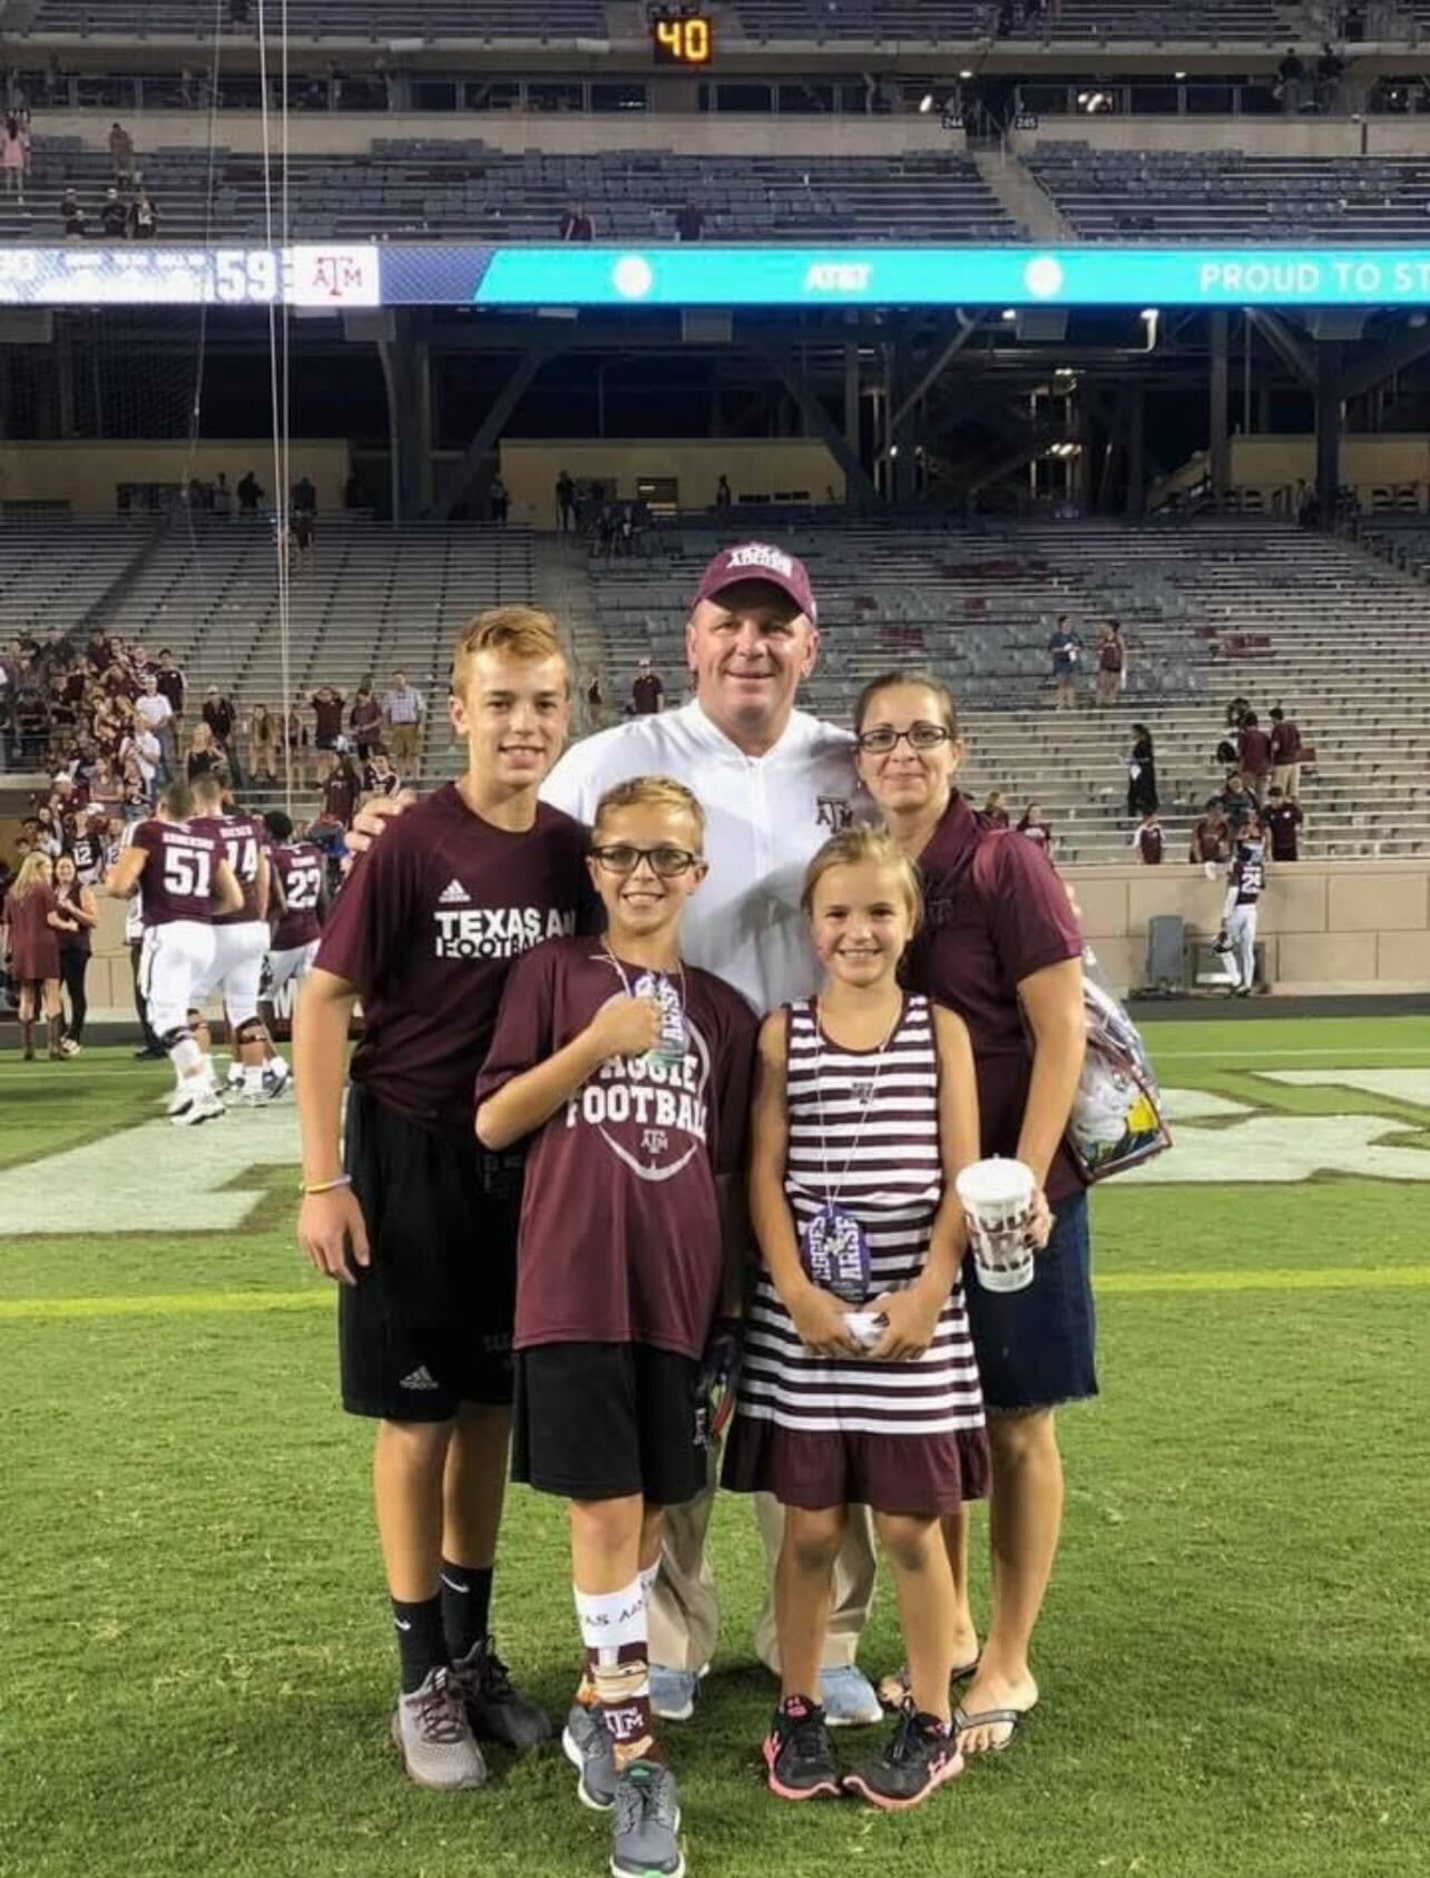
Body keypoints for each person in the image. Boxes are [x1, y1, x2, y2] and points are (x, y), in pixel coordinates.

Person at [345, 541, 886, 1728]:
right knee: (670, 1374)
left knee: (812, 1379)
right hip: (636, 1134)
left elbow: (910, 864)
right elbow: (503, 811)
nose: (751, 644)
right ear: (689, 640)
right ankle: (666, 1637)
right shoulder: (614, 759)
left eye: (774, 625)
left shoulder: (852, 764)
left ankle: (825, 1632)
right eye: (727, 623)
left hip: (821, 1107)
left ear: (808, 644)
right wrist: (401, 822)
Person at [293, 608, 594, 1794]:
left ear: (566, 713)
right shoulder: (411, 844)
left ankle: (470, 1657)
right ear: (456, 713)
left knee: (485, 1416)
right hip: (409, 1154)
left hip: (521, 1165)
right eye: (500, 702)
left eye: (543, 702)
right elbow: (323, 1003)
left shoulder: (572, 851)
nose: (522, 724)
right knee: (415, 1423)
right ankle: (419, 1672)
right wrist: (324, 1179)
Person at [476, 776, 757, 1877]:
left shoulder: (724, 1014)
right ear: (592, 868)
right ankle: (639, 1759)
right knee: (603, 1511)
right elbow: (496, 1118)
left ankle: (603, 1693)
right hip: (573, 1286)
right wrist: (595, 1043)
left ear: (697, 873)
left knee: (649, 1512)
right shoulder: (551, 977)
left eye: (667, 858)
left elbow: (728, 1173)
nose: (643, 874)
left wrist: (728, 1314)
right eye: (622, 854)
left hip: (678, 1300)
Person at [849, 672, 1085, 1759]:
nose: (903, 753)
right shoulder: (881, 872)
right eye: (882, 738)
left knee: (1015, 1420)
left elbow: (1059, 1034)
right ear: (858, 759)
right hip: (917, 1200)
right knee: (934, 1422)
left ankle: (1008, 1657)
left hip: (1010, 1200)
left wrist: (1026, 1183)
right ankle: (942, 1633)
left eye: (922, 735)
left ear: (959, 747)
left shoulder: (1003, 861)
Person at [724, 827, 985, 1810]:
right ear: (810, 924)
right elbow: (762, 1176)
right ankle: (794, 1709)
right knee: (808, 1528)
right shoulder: (780, 1032)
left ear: (909, 922)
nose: (858, 930)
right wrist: (791, 1286)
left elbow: (963, 1174)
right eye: (837, 912)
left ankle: (929, 1716)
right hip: (806, 1318)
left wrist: (925, 1289)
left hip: (918, 1310)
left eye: (879, 911)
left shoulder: (939, 1030)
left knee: (913, 1528)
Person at [104, 780, 243, 1125]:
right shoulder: (209, 839)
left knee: (163, 1019)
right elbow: (235, 899)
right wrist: (196, 908)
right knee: (179, 1013)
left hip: (167, 931)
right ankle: (189, 1090)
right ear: (193, 811)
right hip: (203, 933)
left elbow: (117, 885)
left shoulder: (149, 831)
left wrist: (142, 889)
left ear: (162, 806)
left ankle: (201, 1088)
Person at [188, 773, 280, 1105]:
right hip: (253, 925)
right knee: (243, 1009)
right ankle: (254, 1086)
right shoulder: (249, 826)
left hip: (220, 924)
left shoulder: (199, 830)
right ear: (223, 796)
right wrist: (261, 913)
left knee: (187, 1004)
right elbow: (263, 874)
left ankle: (204, 1083)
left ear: (196, 801)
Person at [2, 853, 69, 1059]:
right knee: (51, 992)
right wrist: (70, 925)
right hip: (43, 944)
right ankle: (54, 1047)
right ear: (38, 868)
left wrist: (6, 950)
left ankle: (27, 1049)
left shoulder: (13, 893)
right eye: (48, 867)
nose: (51, 871)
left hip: (21, 947)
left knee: (26, 995)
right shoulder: (43, 889)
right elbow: (52, 919)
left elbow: (7, 926)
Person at [262, 809, 326, 1012]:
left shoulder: (273, 859)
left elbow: (274, 903)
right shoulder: (313, 852)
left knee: (262, 998)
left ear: (269, 834)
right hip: (313, 934)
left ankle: (264, 1045)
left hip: (284, 938)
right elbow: (323, 899)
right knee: (313, 1002)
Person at [52, 851, 98, 1054]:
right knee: (52, 992)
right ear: (55, 870)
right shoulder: (51, 891)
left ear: (75, 870)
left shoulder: (82, 890)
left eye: (68, 867)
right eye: (61, 867)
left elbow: (94, 920)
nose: (64, 871)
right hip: (54, 948)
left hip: (76, 947)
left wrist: (72, 909)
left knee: (75, 990)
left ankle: (75, 1035)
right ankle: (61, 1031)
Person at [1218, 823, 1266, 997]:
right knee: (1247, 949)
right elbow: (1261, 885)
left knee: (1221, 946)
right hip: (1253, 910)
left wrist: (1225, 916)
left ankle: (1236, 980)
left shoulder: (1238, 866)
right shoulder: (1259, 867)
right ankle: (1247, 984)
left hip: (1238, 909)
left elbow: (1233, 891)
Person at [381, 669, 424, 775]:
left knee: (414, 753)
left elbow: (421, 709)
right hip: (397, 726)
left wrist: (420, 725)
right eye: (395, 679)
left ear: (405, 679)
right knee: (399, 754)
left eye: (400, 679)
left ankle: (416, 778)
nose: (398, 682)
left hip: (411, 725)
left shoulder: (414, 693)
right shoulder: (390, 695)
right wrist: (388, 726)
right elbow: (386, 711)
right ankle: (401, 778)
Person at [1236, 710, 1272, 804]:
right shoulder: (1264, 736)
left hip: (1249, 768)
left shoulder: (1244, 736)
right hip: (1263, 768)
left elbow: (1241, 753)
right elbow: (1269, 754)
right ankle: (1259, 813)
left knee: (1248, 793)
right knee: (1260, 794)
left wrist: (1238, 769)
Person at [1269, 706, 1303, 801]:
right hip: (1295, 763)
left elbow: (1276, 747)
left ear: (1274, 718)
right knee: (1294, 793)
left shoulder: (1277, 729)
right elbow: (1299, 745)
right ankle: (1297, 813)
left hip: (1282, 764)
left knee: (1279, 792)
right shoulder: (1292, 727)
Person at [1047, 617, 1081, 710]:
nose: (1068, 624)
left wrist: (1075, 649)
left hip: (1072, 661)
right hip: (1060, 662)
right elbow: (1052, 649)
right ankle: (1061, 703)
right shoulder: (1056, 636)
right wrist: (1063, 650)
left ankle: (1071, 703)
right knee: (1062, 683)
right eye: (1066, 622)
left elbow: (1079, 646)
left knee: (1071, 683)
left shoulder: (1075, 635)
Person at [1264, 786, 1304, 862]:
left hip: (1291, 844)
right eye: (1272, 800)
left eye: (1277, 799)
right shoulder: (1267, 811)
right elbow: (1266, 828)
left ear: (1282, 798)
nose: (1275, 802)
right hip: (1276, 845)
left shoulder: (1291, 808)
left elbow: (1299, 821)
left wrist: (1298, 834)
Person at [1189, 797, 1230, 871]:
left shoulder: (1224, 826)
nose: (1216, 818)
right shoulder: (1200, 825)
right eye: (1213, 814)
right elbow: (1195, 846)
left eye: (1219, 815)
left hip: (1215, 858)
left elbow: (1224, 847)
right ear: (1208, 813)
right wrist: (1201, 863)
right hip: (1200, 857)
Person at [1126, 723, 1158, 818]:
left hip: (1142, 774)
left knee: (1142, 795)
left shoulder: (1144, 744)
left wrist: (1134, 760)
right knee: (1136, 795)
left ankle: (1142, 815)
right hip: (1139, 771)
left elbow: (1147, 759)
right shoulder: (1143, 743)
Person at [349, 682, 384, 763]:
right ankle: (366, 772)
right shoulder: (355, 709)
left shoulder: (374, 707)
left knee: (378, 755)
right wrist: (356, 728)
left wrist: (368, 726)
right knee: (363, 758)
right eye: (363, 696)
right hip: (361, 738)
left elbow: (379, 719)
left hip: (373, 737)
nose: (365, 698)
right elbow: (352, 724)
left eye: (366, 696)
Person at [246, 704, 280, 785]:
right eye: (257, 711)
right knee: (253, 759)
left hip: (268, 742)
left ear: (264, 711)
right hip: (256, 742)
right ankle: (252, 776)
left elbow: (273, 731)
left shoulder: (270, 719)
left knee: (270, 759)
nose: (259, 713)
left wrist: (275, 742)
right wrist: (251, 743)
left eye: (261, 711)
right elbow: (249, 733)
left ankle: (272, 777)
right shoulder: (252, 720)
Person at [1093, 622, 1125, 707]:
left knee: (1112, 684)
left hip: (1115, 663)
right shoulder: (1103, 639)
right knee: (1102, 684)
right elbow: (1097, 649)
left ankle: (1109, 702)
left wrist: (1123, 663)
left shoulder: (1118, 638)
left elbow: (1123, 651)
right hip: (1104, 664)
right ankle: (1099, 702)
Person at [2, 114, 27, 202]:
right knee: (19, 177)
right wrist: (25, 158)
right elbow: (23, 148)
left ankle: (8, 193)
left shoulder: (4, 134)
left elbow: (1, 148)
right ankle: (20, 196)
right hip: (18, 156)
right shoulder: (20, 134)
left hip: (8, 156)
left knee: (9, 176)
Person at [109, 119, 135, 184]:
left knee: (127, 168)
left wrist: (129, 151)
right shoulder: (112, 136)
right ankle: (119, 179)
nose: (115, 131)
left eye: (116, 129)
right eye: (114, 130)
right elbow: (112, 145)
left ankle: (129, 179)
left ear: (119, 128)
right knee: (117, 168)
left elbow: (129, 143)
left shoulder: (124, 134)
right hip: (117, 155)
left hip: (125, 154)